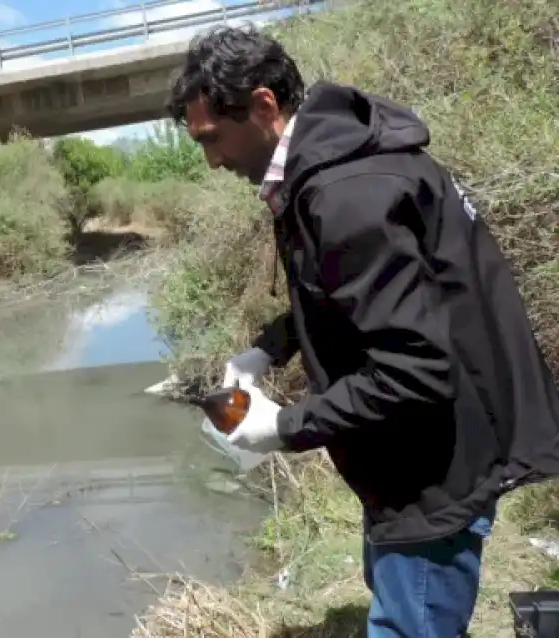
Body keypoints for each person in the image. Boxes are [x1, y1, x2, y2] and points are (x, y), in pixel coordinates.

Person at [166, 25, 559, 637]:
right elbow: (341, 289)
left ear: (264, 105)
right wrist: (269, 349)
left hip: (433, 473)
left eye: (213, 138)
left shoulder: (348, 193)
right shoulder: (340, 162)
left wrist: (284, 427)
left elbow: (414, 368)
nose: (212, 160)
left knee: (410, 624)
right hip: (413, 453)